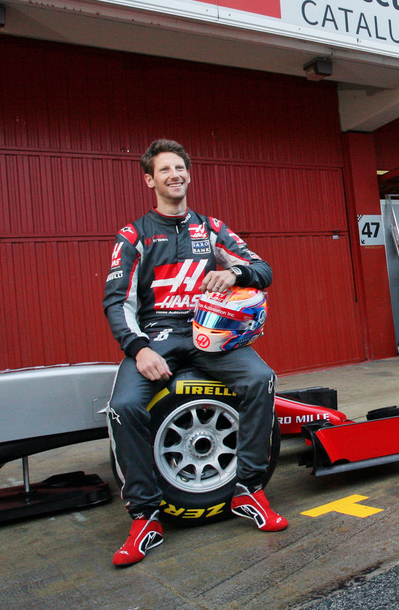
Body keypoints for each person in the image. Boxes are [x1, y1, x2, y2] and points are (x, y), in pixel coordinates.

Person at [103, 139, 286, 567]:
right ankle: (145, 516)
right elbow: (117, 302)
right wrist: (139, 348)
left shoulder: (213, 228)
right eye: (164, 170)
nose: (174, 176)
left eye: (180, 168)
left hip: (209, 336)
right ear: (150, 180)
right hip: (155, 339)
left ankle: (249, 491)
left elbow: (264, 271)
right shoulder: (133, 236)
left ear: (189, 174)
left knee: (261, 379)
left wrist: (232, 272)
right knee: (123, 407)